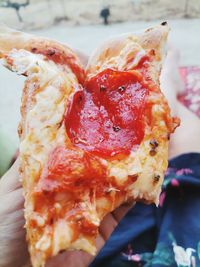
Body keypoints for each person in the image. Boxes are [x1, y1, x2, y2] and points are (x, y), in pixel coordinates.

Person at [0, 47, 200, 267]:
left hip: (101, 240)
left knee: (156, 122)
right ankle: (168, 74)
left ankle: (163, 75)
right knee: (171, 129)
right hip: (177, 227)